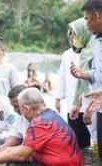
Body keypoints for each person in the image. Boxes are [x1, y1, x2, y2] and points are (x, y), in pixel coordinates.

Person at [0, 88, 83, 166]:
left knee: (14, 162)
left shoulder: (39, 122)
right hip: (71, 162)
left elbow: (21, 155)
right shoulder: (51, 115)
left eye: (19, 109)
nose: (18, 112)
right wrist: (5, 150)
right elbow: (23, 146)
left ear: (25, 108)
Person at [71, 0, 102, 159]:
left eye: (86, 18)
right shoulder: (97, 43)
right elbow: (98, 73)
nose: (86, 24)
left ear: (96, 16)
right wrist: (82, 74)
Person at [55, 18, 92, 151]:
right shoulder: (67, 55)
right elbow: (62, 77)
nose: (72, 41)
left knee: (93, 139)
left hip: (91, 104)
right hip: (73, 103)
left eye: (74, 37)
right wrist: (58, 98)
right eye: (70, 39)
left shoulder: (91, 53)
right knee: (76, 139)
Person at [0, 85, 29, 156]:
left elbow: (5, 129)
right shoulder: (19, 114)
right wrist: (1, 148)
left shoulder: (3, 109)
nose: (14, 110)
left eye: (17, 106)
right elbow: (16, 135)